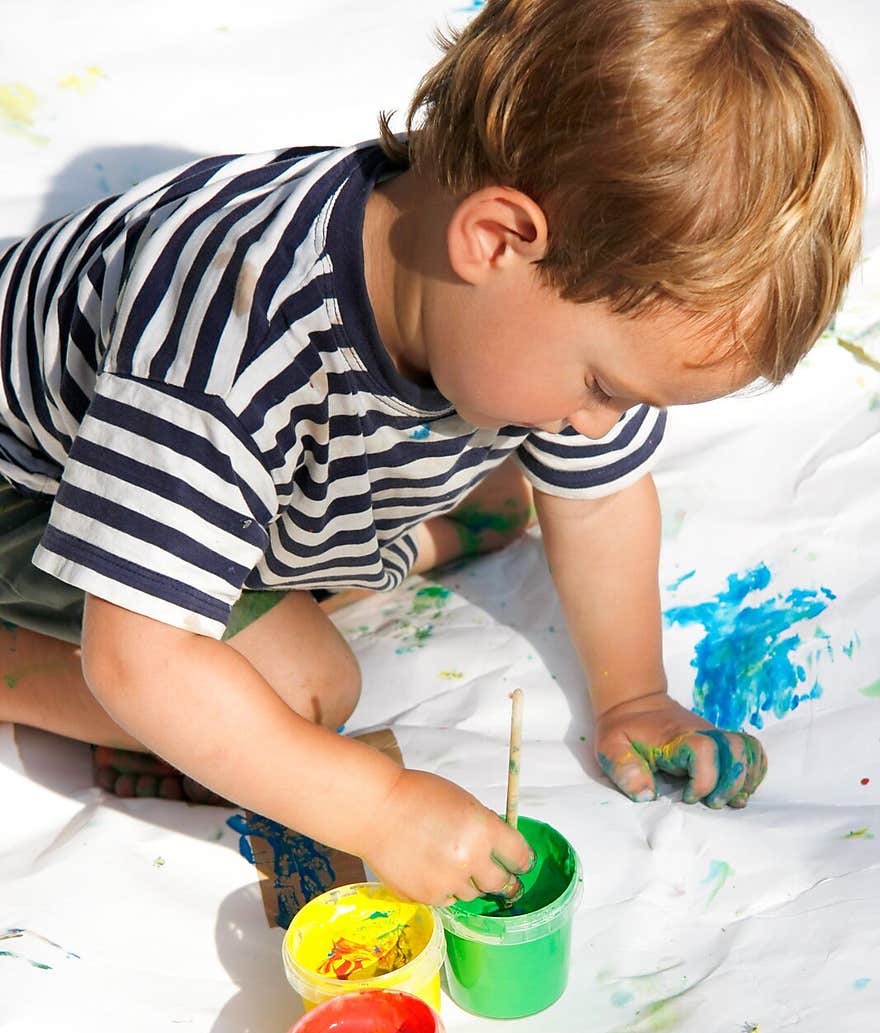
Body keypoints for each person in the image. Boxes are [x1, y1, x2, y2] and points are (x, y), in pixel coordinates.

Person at [0, 0, 865, 907]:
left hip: (225, 459)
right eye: (604, 387)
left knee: (512, 496)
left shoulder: (505, 306)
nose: (602, 426)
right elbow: (141, 658)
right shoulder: (237, 330)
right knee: (302, 692)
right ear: (494, 239)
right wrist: (378, 809)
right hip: (37, 487)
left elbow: (601, 500)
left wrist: (634, 699)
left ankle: (313, 558)